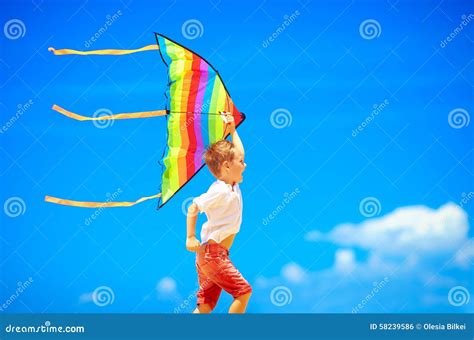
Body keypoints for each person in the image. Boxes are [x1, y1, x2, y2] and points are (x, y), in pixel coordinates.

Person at [186, 112, 252, 313]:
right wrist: (190, 237)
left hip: (210, 256)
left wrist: (232, 130)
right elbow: (193, 207)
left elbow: (239, 152)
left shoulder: (231, 184)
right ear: (227, 166)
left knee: (206, 305)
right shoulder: (220, 189)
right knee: (243, 291)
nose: (245, 164)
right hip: (214, 256)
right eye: (240, 163)